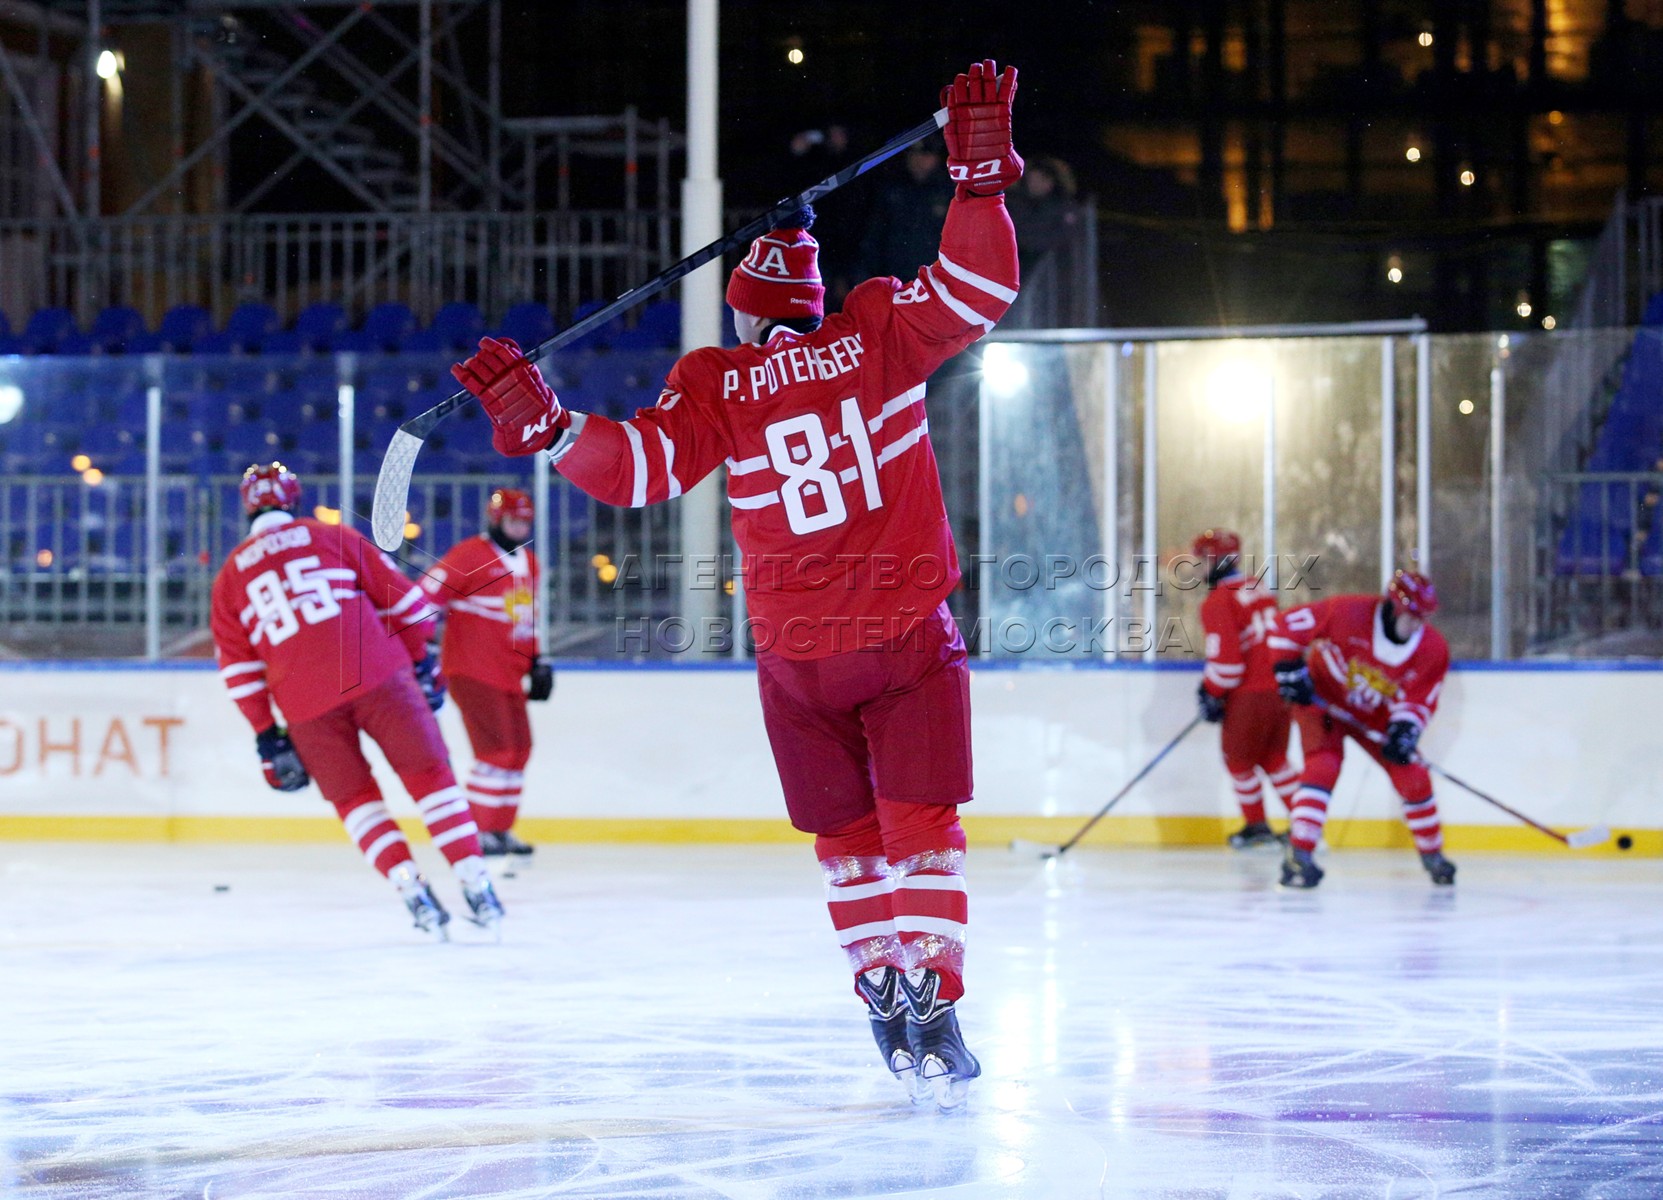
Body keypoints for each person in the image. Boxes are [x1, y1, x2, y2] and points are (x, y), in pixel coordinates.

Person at [446, 60, 1023, 1110]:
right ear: (806, 303)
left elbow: (638, 471)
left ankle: (875, 976)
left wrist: (552, 427)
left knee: (846, 834)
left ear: (744, 319)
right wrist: (977, 182)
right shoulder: (876, 331)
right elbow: (980, 288)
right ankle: (932, 986)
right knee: (920, 820)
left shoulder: (716, 385)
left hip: (796, 659)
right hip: (901, 634)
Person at [210, 462, 506, 937]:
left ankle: (411, 890)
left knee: (356, 801)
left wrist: (268, 736)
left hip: (304, 705)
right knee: (430, 778)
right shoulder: (329, 535)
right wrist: (422, 664)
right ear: (293, 500)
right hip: (377, 675)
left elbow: (241, 674)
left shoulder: (228, 580)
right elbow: (408, 607)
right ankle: (476, 882)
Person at [1267, 569, 1456, 889]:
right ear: (1393, 607)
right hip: (1322, 699)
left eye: (1422, 618)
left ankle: (1433, 855)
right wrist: (1289, 669)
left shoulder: (1433, 649)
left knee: (1413, 775)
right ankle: (1298, 855)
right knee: (1323, 766)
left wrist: (1405, 730)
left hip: (1374, 715)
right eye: (1411, 615)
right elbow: (1283, 626)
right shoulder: (1346, 612)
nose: (1417, 625)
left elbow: (1420, 698)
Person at [419, 486, 554, 857]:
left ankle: (499, 828)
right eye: (513, 521)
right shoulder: (469, 555)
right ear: (495, 519)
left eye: (525, 522)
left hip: (509, 672)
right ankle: (478, 831)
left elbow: (527, 616)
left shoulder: (529, 563)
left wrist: (538, 660)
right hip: (472, 669)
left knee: (520, 750)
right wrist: (422, 646)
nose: (519, 529)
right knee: (496, 752)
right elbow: (425, 596)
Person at [1193, 529, 1297, 848]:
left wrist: (1210, 692)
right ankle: (1308, 824)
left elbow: (1228, 666)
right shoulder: (1259, 586)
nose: (1196, 568)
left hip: (1249, 694)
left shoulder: (1218, 602)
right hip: (1280, 690)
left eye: (1200, 560)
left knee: (1238, 762)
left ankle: (1256, 827)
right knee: (1274, 758)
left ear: (1214, 560)